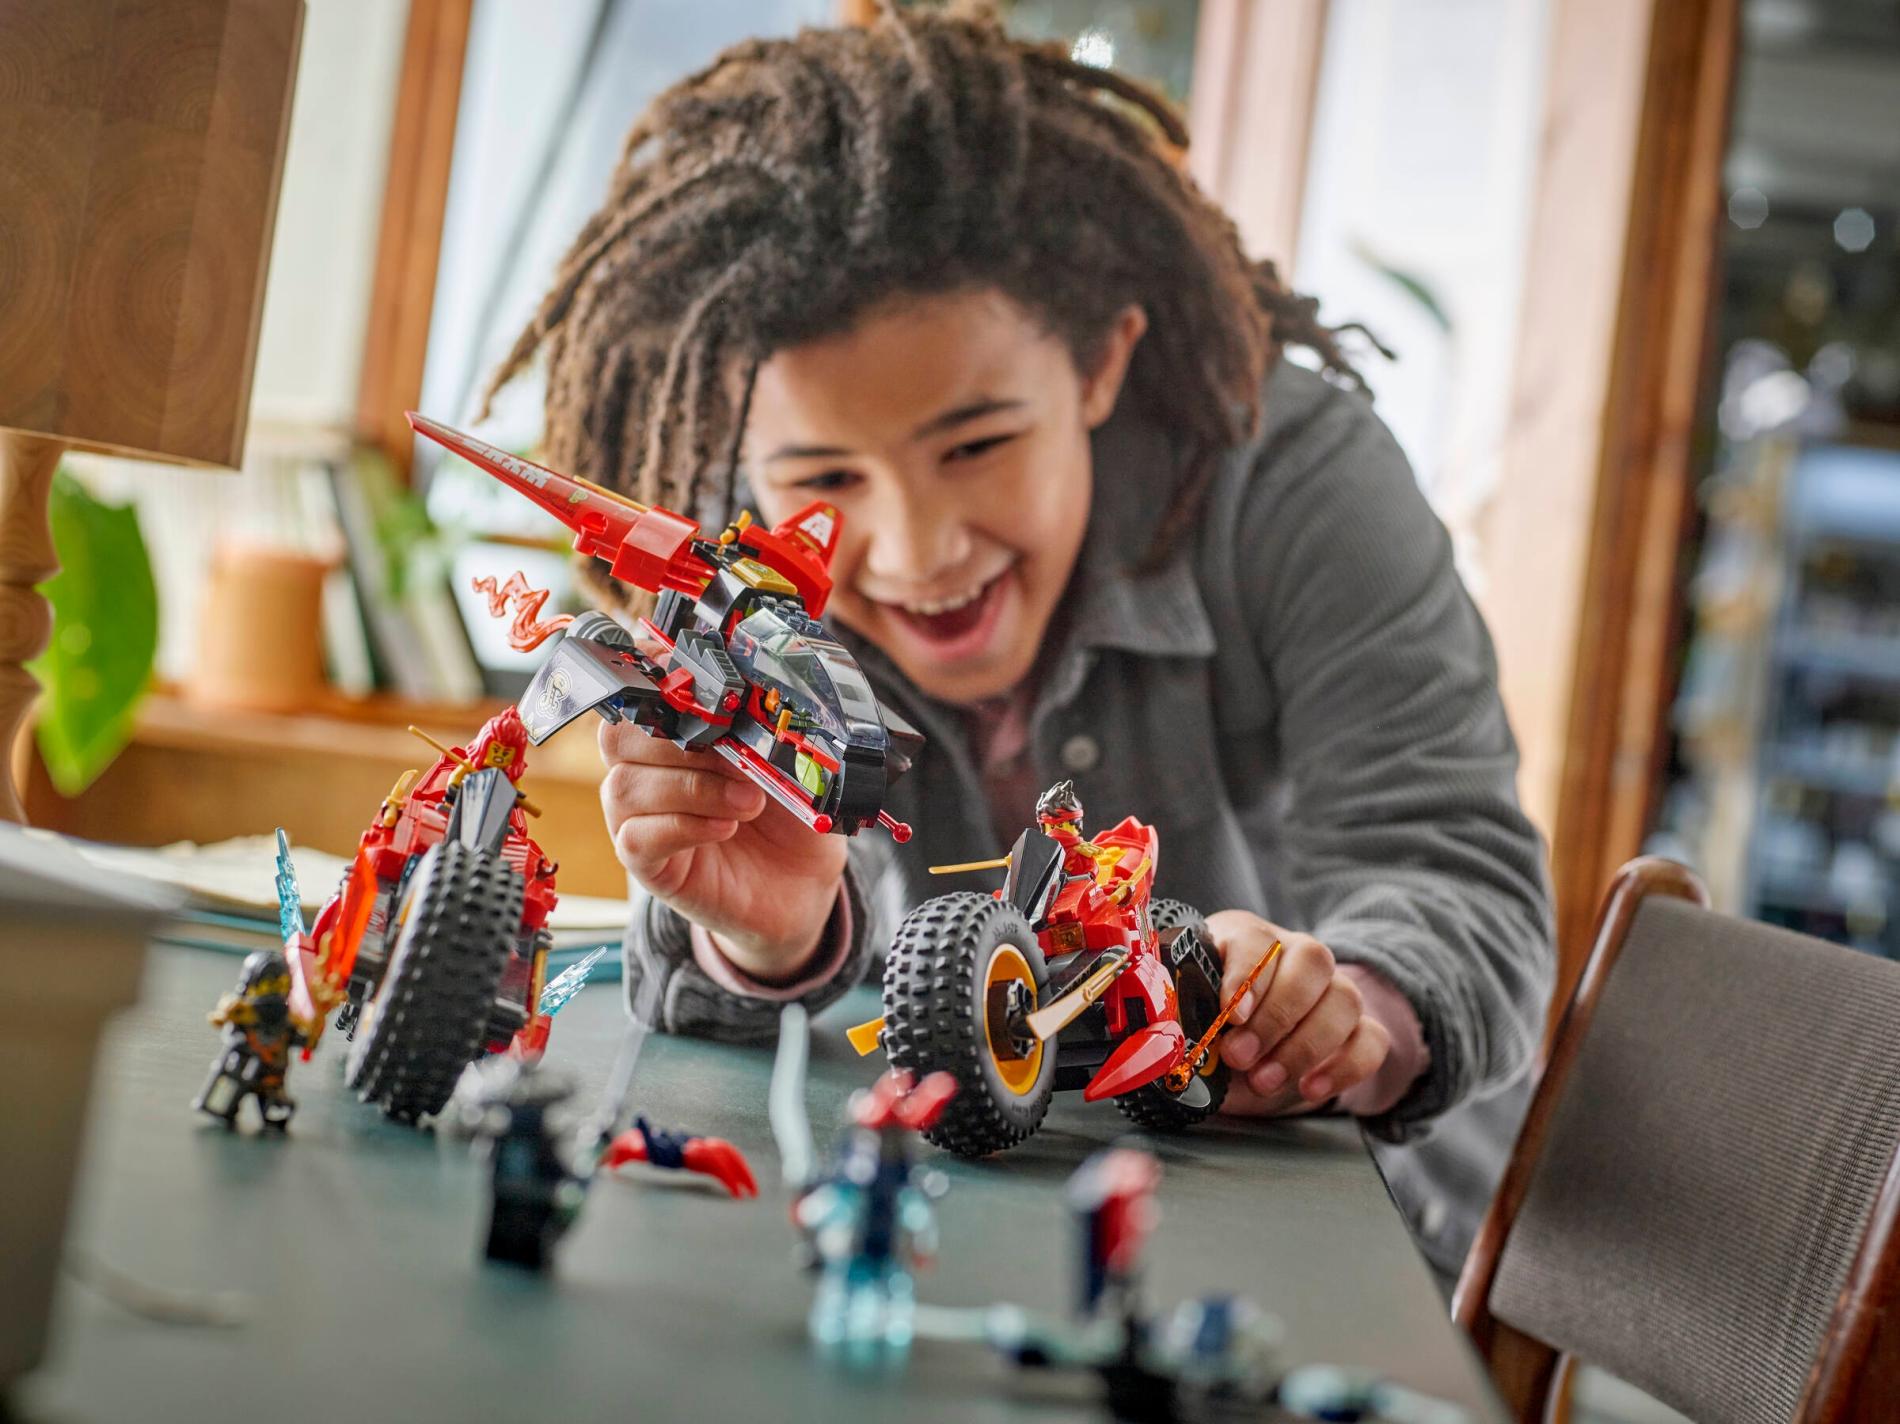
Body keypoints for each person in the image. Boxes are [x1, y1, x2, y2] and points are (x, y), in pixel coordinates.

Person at [481, 3, 1553, 1282]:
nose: (918, 549)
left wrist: (1341, 1016)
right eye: (825, 478)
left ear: (1099, 365)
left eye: (978, 442)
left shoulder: (1297, 481)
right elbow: (715, 1014)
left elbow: (1457, 876)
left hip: (1365, 1253)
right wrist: (761, 936)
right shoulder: (737, 575)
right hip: (950, 1227)